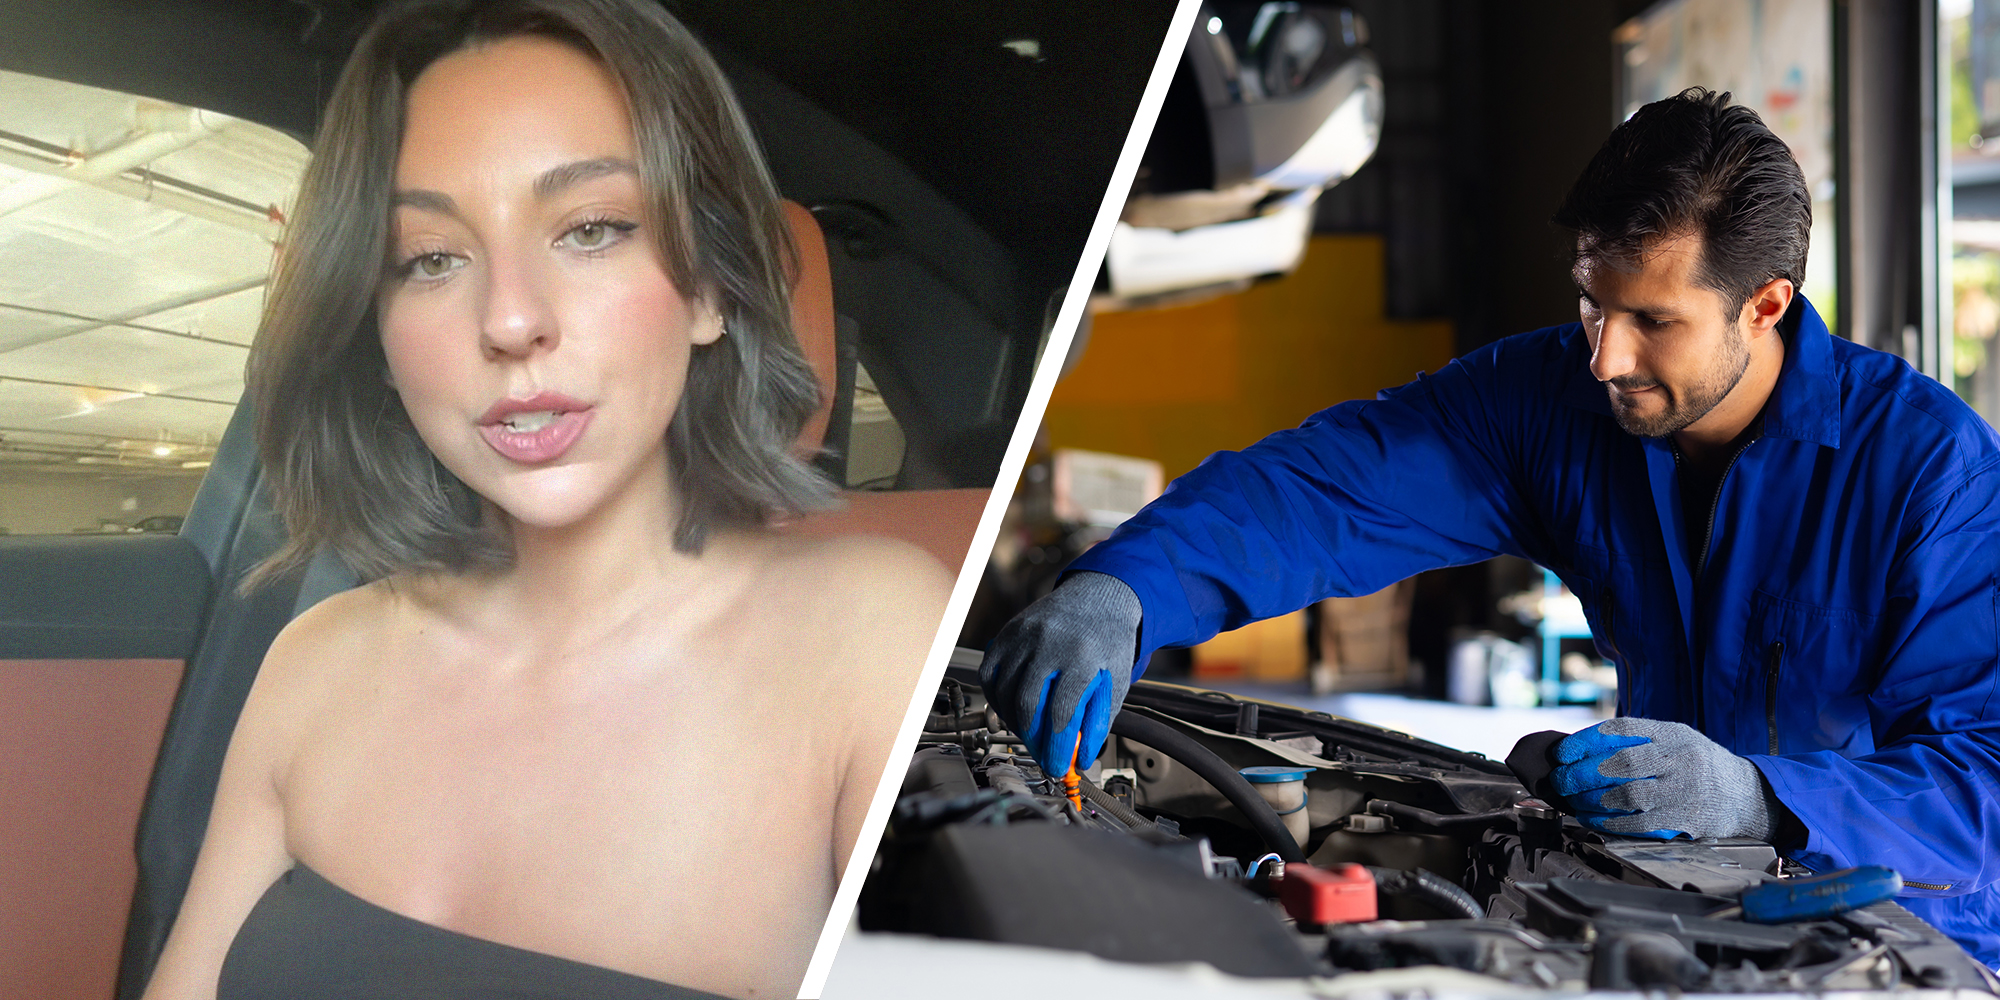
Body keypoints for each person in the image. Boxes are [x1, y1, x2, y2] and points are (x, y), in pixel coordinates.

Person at [981, 87, 2000, 963]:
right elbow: (1330, 488)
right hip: (1679, 909)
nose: (1603, 357)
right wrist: (1128, 585)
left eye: (1651, 321)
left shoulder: (1925, 472)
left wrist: (1758, 799)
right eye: (1591, 304)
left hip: (1902, 944)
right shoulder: (1549, 402)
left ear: (1764, 305)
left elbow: (1983, 785)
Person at [139, 1, 950, 997]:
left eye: (593, 229)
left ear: (707, 290)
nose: (511, 319)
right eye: (431, 259)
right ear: (381, 341)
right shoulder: (314, 657)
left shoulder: (881, 640)